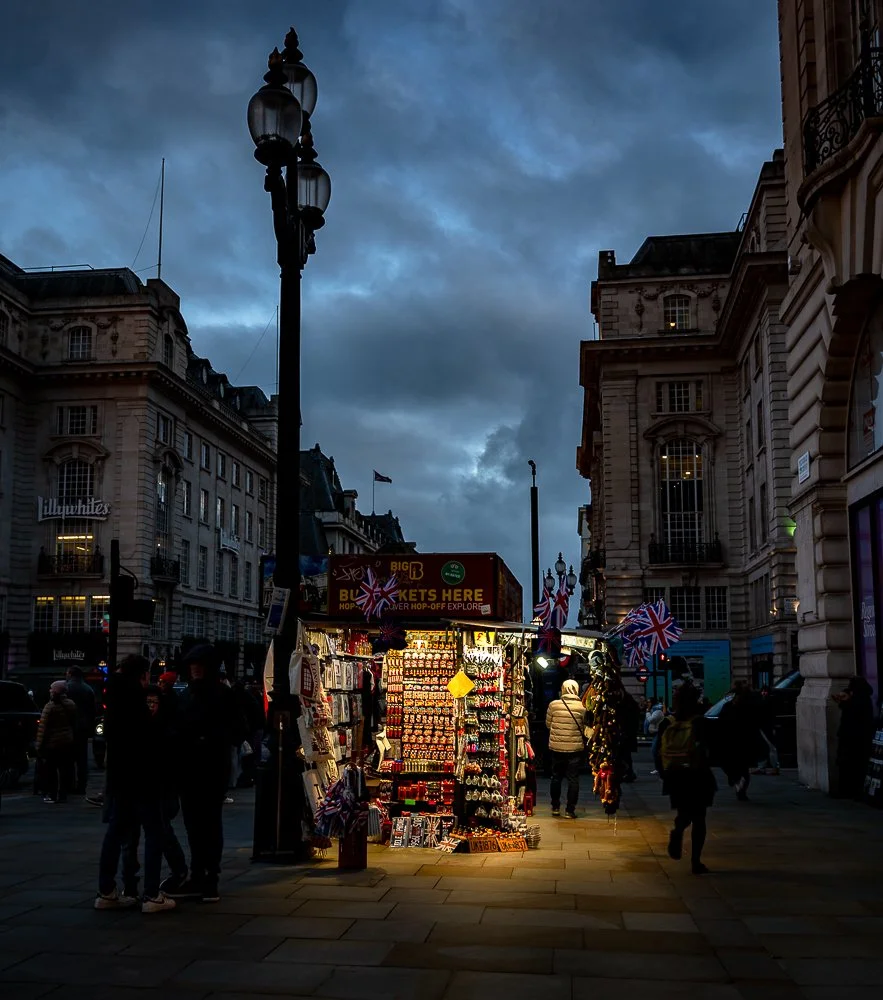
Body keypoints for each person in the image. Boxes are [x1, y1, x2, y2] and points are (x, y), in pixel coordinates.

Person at [94, 655, 176, 914]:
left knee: (116, 832)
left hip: (120, 777)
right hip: (143, 776)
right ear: (143, 675)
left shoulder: (113, 696)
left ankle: (106, 891)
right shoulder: (135, 698)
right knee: (154, 832)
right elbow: (148, 736)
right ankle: (151, 894)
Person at [169, 644, 247, 903]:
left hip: (211, 768)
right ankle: (199, 874)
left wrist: (209, 739)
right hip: (190, 768)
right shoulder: (186, 695)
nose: (196, 670)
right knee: (194, 825)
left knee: (209, 824)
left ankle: (209, 876)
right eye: (193, 665)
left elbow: (238, 730)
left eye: (200, 665)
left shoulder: (222, 695)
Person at [659, 682, 717, 875]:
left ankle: (678, 830)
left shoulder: (668, 722)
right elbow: (710, 749)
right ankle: (696, 861)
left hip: (675, 775)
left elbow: (657, 751)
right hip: (697, 774)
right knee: (699, 818)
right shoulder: (699, 722)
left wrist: (664, 773)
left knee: (683, 811)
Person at [545, 679, 590, 819]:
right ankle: (570, 810)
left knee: (556, 777)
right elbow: (584, 728)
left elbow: (548, 725)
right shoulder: (582, 707)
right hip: (575, 749)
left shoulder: (553, 705)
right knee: (573, 779)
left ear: (563, 689)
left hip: (557, 747)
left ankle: (555, 807)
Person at [718, 681, 764, 801]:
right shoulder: (749, 706)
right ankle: (740, 788)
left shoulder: (730, 707)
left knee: (733, 765)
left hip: (733, 742)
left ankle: (737, 782)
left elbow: (721, 724)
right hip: (744, 742)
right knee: (743, 768)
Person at [833, 676, 876, 799]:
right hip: (857, 737)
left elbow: (850, 711)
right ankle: (850, 790)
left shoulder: (859, 700)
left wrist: (843, 701)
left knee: (850, 765)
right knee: (853, 765)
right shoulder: (862, 698)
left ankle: (848, 791)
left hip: (853, 737)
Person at [35, 681, 77, 804]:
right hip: (67, 741)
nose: (50, 690)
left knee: (51, 770)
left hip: (52, 743)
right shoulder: (71, 704)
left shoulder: (50, 706)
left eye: (51, 689)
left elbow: (43, 728)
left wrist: (39, 746)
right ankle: (63, 794)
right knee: (64, 769)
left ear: (55, 691)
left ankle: (52, 794)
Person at [65, 666, 96, 794]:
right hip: (83, 728)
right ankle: (82, 786)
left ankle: (69, 784)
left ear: (70, 674)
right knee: (82, 759)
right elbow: (92, 711)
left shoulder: (66, 688)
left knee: (68, 758)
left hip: (68, 727)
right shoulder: (88, 689)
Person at [753, 685, 780, 775]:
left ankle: (775, 767)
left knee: (771, 748)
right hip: (762, 727)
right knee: (763, 748)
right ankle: (762, 767)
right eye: (762, 691)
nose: (763, 693)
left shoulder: (769, 701)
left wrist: (773, 727)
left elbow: (772, 716)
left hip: (767, 728)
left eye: (765, 691)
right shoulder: (762, 701)